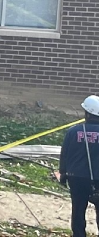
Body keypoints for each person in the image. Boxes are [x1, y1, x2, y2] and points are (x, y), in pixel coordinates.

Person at [60, 95, 99, 237]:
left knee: (78, 210)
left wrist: (63, 173)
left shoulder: (73, 131)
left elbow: (65, 154)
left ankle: (79, 234)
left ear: (87, 113)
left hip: (76, 177)